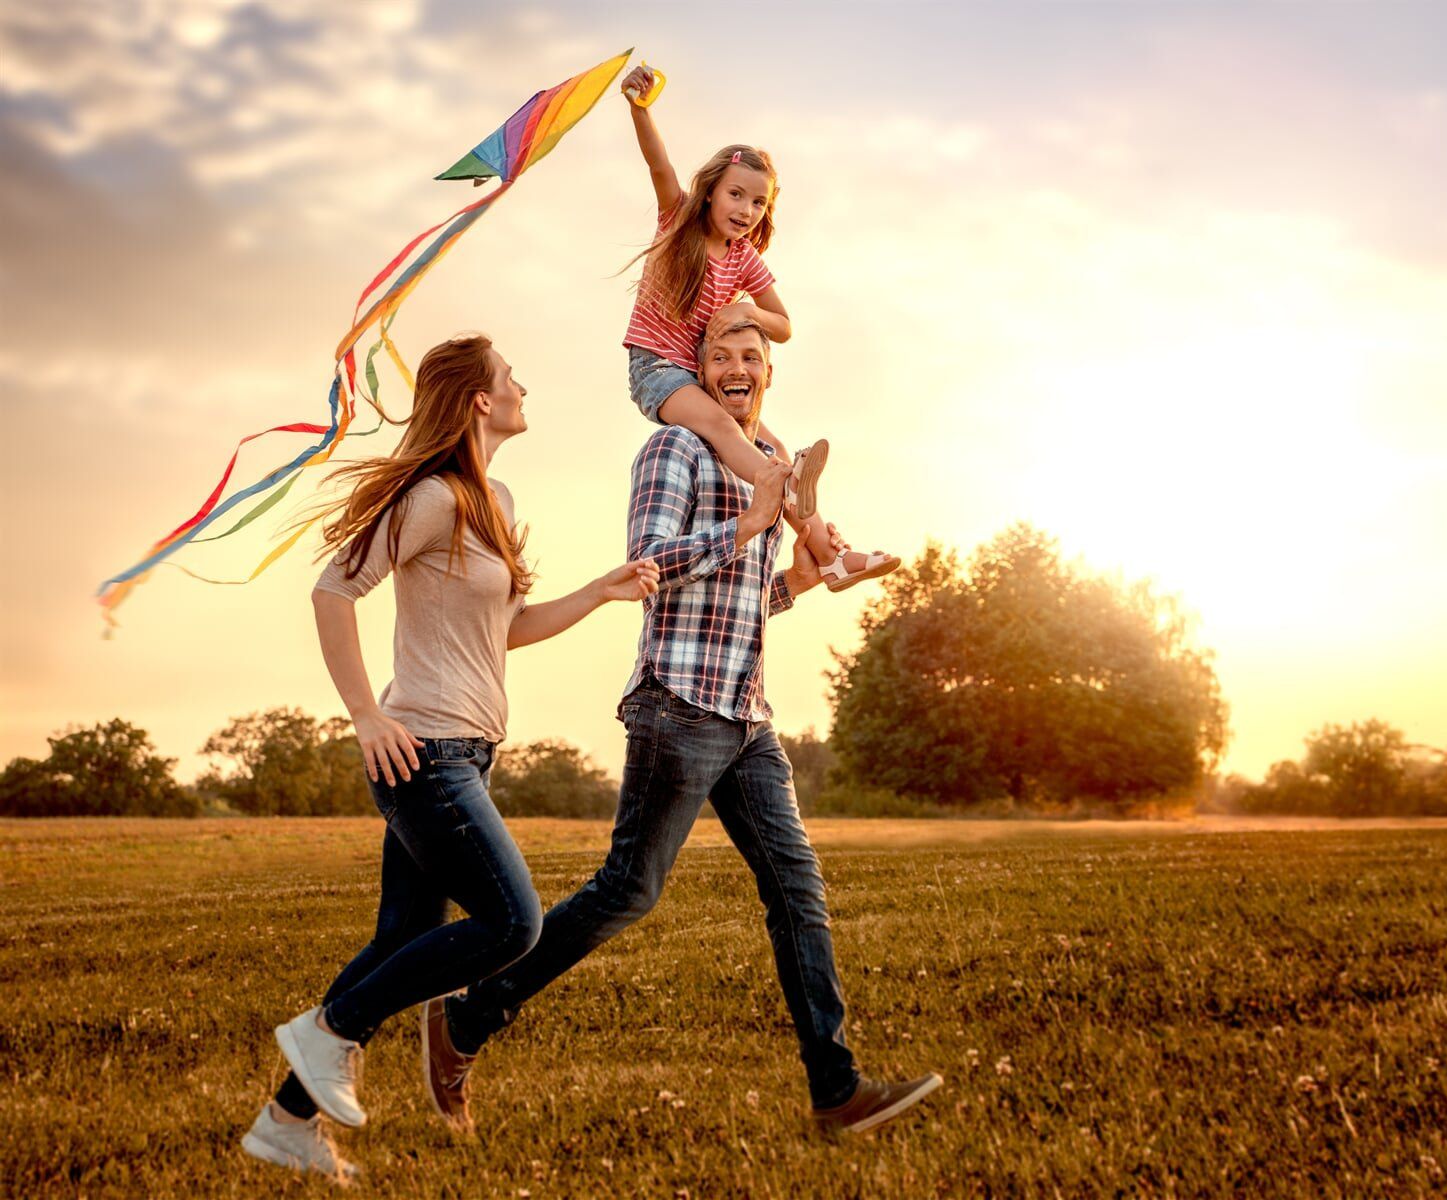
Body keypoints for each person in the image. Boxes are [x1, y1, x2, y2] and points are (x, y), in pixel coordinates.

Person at [427, 319, 941, 1134]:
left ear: (766, 377)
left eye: (752, 358)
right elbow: (648, 567)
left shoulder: (759, 466)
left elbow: (740, 604)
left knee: (797, 890)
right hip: (677, 706)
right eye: (720, 358)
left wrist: (797, 582)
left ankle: (835, 1093)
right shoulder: (673, 452)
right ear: (695, 376)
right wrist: (748, 524)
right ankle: (468, 1018)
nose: (738, 368)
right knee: (628, 890)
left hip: (747, 713)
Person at [239, 334, 661, 1178]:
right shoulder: (431, 496)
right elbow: (334, 588)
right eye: (510, 376)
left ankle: (284, 1124)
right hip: (420, 749)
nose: (521, 385)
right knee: (513, 923)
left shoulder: (491, 497)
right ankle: (328, 1031)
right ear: (477, 398)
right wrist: (365, 714)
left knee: (403, 935)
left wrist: (598, 591)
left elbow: (503, 632)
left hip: (466, 750)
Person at [615, 61, 898, 595]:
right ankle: (785, 485)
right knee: (729, 434)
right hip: (656, 370)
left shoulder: (744, 258)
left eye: (758, 201)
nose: (746, 209)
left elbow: (784, 324)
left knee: (776, 450)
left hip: (698, 377)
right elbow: (658, 166)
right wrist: (640, 109)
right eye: (736, 195)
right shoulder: (678, 221)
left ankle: (832, 558)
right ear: (710, 193)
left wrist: (748, 312)